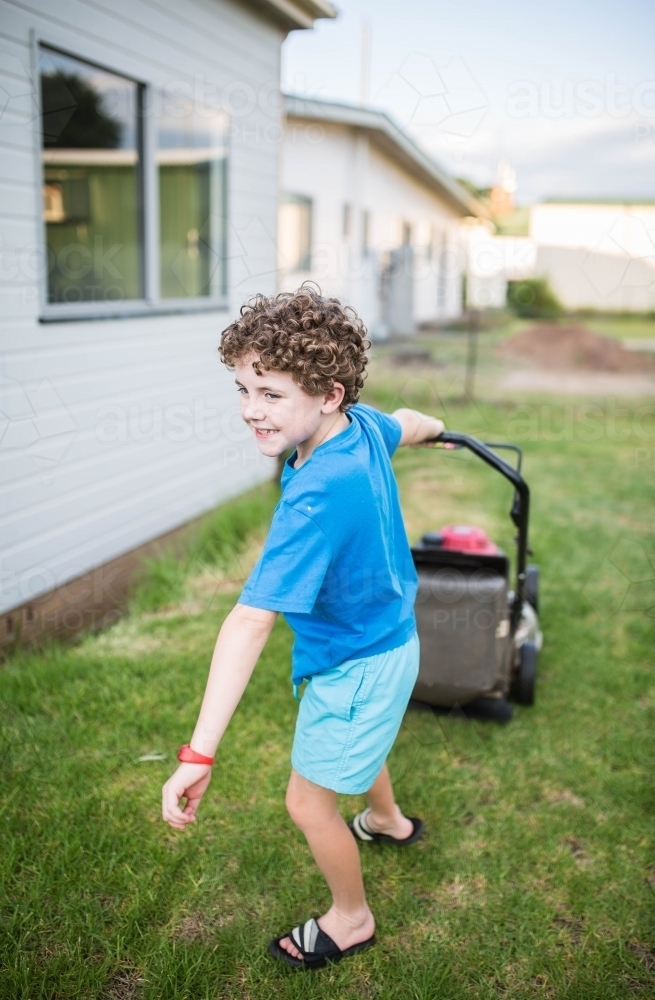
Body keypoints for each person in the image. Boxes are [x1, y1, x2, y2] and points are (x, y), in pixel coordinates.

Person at [162, 287, 444, 970]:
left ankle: (351, 917)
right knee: (359, 741)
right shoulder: (360, 426)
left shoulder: (317, 494)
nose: (250, 410)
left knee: (307, 803)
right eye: (243, 388)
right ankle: (386, 821)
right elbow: (405, 421)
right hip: (383, 641)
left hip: (356, 660)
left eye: (269, 393)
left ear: (328, 394)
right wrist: (435, 427)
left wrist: (198, 755)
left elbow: (252, 618)